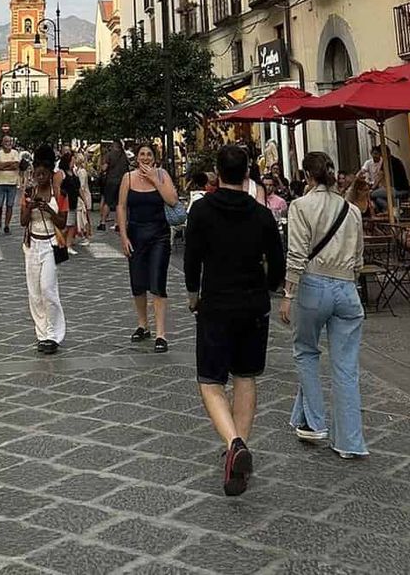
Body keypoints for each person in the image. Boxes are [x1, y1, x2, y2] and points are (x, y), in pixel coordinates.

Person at [184, 143, 286, 497]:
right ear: (247, 173)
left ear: (216, 171)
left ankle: (234, 443)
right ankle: (237, 451)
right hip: (253, 305)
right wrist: (269, 286)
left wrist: (192, 293)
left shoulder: (201, 210)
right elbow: (278, 262)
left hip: (215, 304)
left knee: (211, 381)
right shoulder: (261, 215)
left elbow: (192, 258)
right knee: (246, 376)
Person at [280, 151, 368, 459]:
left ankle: (315, 421)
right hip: (347, 288)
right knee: (346, 367)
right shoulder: (352, 210)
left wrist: (288, 295)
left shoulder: (300, 206)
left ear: (307, 176)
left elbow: (296, 254)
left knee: (306, 351)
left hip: (313, 284)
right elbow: (359, 259)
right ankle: (350, 442)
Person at [118, 142, 179, 352]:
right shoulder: (128, 178)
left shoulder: (162, 175)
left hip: (158, 236)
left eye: (149, 154)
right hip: (135, 234)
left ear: (154, 157)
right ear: (136, 158)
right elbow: (122, 206)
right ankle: (143, 324)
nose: (145, 158)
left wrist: (154, 178)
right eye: (141, 154)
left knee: (157, 283)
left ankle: (161, 333)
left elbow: (172, 200)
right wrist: (124, 236)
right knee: (137, 283)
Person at [21, 146, 67, 353]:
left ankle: (54, 334)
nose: (39, 177)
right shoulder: (29, 193)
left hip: (50, 244)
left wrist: (48, 209)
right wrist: (30, 207)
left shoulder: (59, 193)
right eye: (36, 174)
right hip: (32, 244)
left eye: (43, 174)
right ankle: (42, 334)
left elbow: (63, 222)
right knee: (35, 293)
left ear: (50, 175)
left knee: (48, 288)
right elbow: (23, 221)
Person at [0, 134, 22, 234]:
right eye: (6, 142)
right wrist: (9, 164)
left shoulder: (15, 153)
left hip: (12, 182)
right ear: (2, 143)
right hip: (0, 182)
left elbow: (16, 165)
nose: (8, 144)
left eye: (9, 142)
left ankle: (7, 225)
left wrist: (4, 165)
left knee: (10, 205)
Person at [98, 140, 128, 230]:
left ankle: (103, 223)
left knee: (107, 202)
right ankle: (117, 224)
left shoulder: (109, 155)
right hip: (122, 181)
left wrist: (101, 168)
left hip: (111, 181)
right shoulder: (124, 155)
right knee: (120, 203)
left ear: (113, 146)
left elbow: (104, 168)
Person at [59, 151, 81, 254]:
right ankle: (60, 244)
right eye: (72, 160)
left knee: (72, 224)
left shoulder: (74, 172)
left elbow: (78, 187)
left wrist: (84, 200)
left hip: (73, 201)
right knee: (65, 226)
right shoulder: (61, 173)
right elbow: (57, 188)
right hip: (65, 202)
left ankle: (68, 245)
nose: (74, 162)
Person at [75, 152, 93, 243]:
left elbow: (81, 187)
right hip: (84, 196)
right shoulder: (79, 170)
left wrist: (84, 200)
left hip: (84, 196)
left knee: (85, 217)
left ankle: (87, 236)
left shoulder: (81, 172)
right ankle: (85, 235)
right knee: (83, 217)